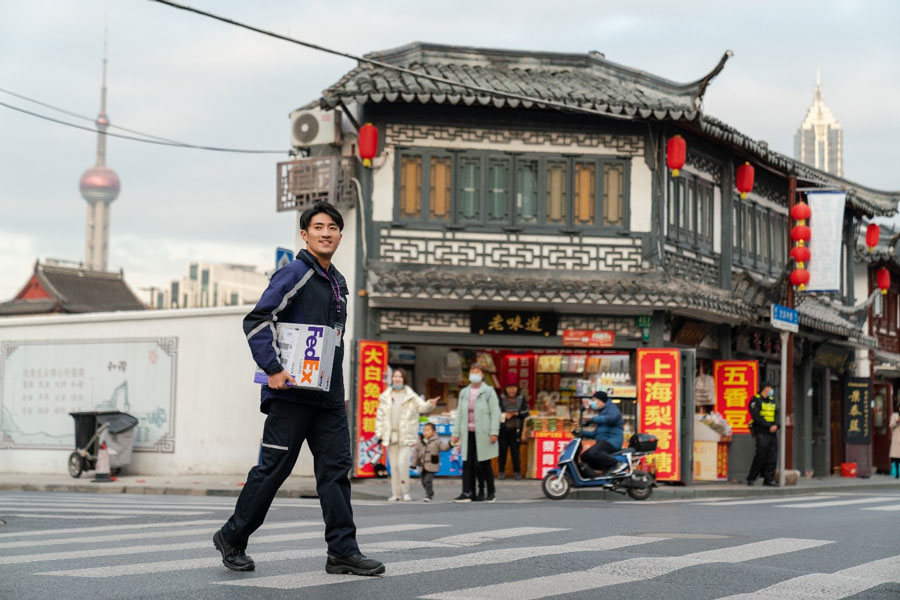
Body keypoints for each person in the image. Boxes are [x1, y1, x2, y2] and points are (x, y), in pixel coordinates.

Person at [214, 202, 384, 577]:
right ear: (305, 235)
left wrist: (337, 390)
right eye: (319, 227)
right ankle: (232, 536)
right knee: (273, 470)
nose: (327, 233)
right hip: (290, 396)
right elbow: (258, 319)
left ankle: (342, 551)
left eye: (334, 227)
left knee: (336, 472)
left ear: (340, 235)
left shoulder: (337, 281)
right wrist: (272, 368)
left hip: (328, 399)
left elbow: (332, 341)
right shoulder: (294, 274)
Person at [374, 368, 439, 501]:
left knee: (402, 463)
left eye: (400, 377)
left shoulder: (410, 395)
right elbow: (380, 416)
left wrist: (430, 404)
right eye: (395, 377)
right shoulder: (386, 396)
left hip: (406, 435)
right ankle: (396, 493)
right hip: (391, 436)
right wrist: (379, 434)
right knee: (393, 465)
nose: (397, 379)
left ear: (404, 379)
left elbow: (422, 407)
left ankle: (405, 492)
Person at [450, 362, 501, 503]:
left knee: (483, 463)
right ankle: (467, 492)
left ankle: (489, 492)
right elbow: (460, 414)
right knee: (468, 463)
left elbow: (495, 413)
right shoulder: (464, 392)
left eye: (478, 371)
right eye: (472, 370)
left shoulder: (489, 392)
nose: (474, 374)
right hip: (468, 433)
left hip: (484, 433)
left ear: (483, 375)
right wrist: (456, 434)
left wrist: (494, 432)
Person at [580, 391, 625, 477]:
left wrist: (593, 419)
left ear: (601, 400)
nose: (593, 403)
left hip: (612, 441)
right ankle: (597, 474)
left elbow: (612, 418)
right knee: (584, 456)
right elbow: (596, 434)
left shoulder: (612, 408)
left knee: (594, 452)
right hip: (604, 441)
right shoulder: (602, 412)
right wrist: (583, 433)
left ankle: (617, 464)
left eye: (594, 400)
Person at [746, 382, 780, 487]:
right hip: (762, 431)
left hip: (772, 432)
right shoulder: (755, 400)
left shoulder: (772, 400)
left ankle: (769, 479)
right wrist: (768, 426)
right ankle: (751, 477)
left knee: (772, 457)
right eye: (770, 388)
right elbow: (756, 416)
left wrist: (777, 425)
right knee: (760, 456)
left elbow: (776, 414)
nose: (771, 390)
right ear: (765, 388)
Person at [498, 374, 529, 480]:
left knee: (515, 452)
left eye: (514, 388)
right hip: (502, 428)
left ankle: (517, 472)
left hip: (516, 429)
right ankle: (501, 471)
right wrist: (504, 414)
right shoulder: (500, 398)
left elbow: (526, 412)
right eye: (509, 388)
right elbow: (495, 411)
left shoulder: (521, 398)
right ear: (505, 389)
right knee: (502, 451)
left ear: (517, 389)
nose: (511, 390)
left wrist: (517, 413)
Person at [415, 422, 450, 502]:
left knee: (428, 480)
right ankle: (429, 492)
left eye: (427, 430)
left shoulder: (437, 441)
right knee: (423, 481)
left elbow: (444, 448)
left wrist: (451, 444)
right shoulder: (420, 441)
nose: (425, 432)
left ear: (434, 432)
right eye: (424, 430)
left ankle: (429, 495)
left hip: (432, 464)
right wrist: (413, 464)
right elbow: (416, 453)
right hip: (422, 465)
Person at [890, 401, 900, 479]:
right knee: (896, 457)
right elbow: (890, 425)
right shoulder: (894, 415)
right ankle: (897, 473)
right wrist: (897, 422)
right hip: (896, 437)